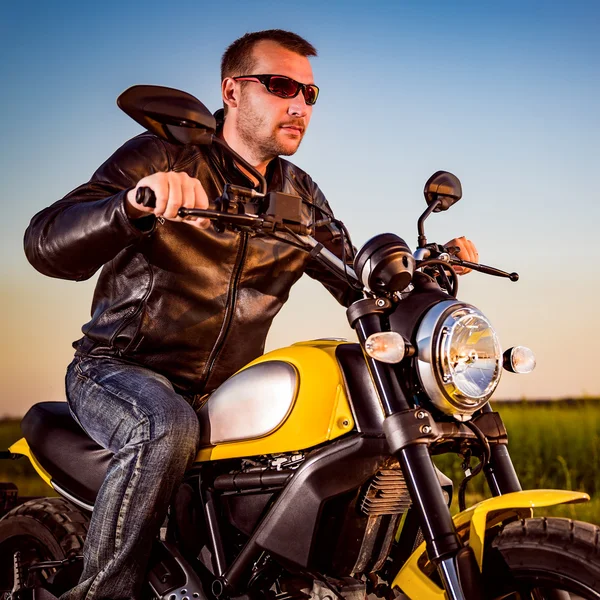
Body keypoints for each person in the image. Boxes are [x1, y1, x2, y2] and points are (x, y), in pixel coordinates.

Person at [24, 29, 478, 600]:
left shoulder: (301, 197)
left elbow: (357, 283)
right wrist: (132, 204)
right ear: (232, 92)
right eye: (281, 86)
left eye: (310, 94)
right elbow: (43, 241)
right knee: (165, 427)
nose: (299, 104)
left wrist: (427, 278)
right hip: (121, 369)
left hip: (225, 387)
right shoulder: (166, 154)